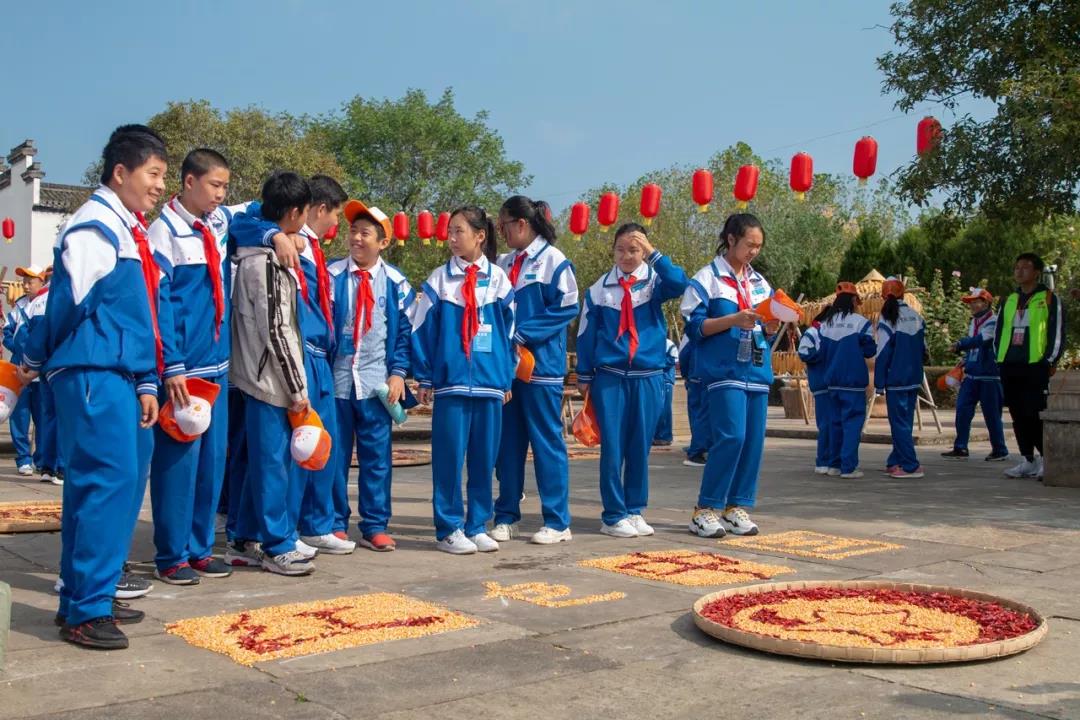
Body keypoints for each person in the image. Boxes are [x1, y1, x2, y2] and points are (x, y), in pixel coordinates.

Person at [20, 124, 166, 649]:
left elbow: (135, 315)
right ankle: (86, 607)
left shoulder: (126, 228)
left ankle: (86, 595)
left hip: (117, 371)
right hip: (91, 372)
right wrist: (34, 356)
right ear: (120, 172)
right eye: (152, 174)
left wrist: (147, 380)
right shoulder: (95, 226)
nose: (157, 186)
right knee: (104, 484)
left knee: (112, 486)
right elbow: (67, 303)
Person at [230, 175, 353, 555]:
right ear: (313, 210)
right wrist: (273, 236)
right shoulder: (275, 241)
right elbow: (238, 219)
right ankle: (272, 532)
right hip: (289, 357)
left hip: (315, 354)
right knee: (285, 451)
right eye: (334, 216)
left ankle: (313, 522)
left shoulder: (309, 246)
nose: (336, 226)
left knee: (316, 443)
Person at [147, 149, 249, 585]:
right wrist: (171, 366)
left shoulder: (219, 222)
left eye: (225, 187)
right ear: (189, 182)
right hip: (183, 370)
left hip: (217, 366)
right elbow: (161, 305)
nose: (220, 194)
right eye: (214, 185)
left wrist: (277, 235)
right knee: (178, 464)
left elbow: (262, 210)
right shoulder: (163, 231)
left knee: (212, 462)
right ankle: (171, 555)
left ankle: (200, 547)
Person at [226, 171, 316, 575]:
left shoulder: (252, 250)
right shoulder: (266, 262)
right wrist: (297, 387)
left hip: (254, 374)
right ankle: (276, 543)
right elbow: (276, 329)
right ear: (294, 212)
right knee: (272, 463)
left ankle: (245, 537)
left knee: (255, 461)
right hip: (269, 379)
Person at [412, 206, 515, 555]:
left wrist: (505, 378)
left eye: (459, 231)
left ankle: (477, 524)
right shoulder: (439, 280)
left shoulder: (499, 280)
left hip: (490, 383)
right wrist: (425, 375)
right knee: (449, 458)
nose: (452, 238)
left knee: (484, 459)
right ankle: (449, 527)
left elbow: (509, 333)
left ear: (480, 236)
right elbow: (421, 331)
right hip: (452, 382)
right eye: (449, 232)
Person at [577, 222, 689, 538]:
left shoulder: (654, 283)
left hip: (649, 375)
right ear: (612, 251)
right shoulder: (599, 289)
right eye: (621, 249)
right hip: (610, 378)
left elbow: (681, 283)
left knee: (640, 446)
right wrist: (584, 375)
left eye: (635, 250)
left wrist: (654, 255)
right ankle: (613, 515)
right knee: (612, 447)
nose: (627, 256)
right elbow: (585, 334)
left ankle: (634, 509)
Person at [682, 213, 776, 538]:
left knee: (752, 442)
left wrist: (775, 324)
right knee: (731, 437)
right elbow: (695, 328)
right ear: (731, 239)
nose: (754, 251)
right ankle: (704, 508)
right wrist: (733, 320)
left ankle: (736, 506)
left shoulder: (760, 283)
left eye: (759, 247)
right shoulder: (707, 278)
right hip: (724, 372)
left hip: (757, 370)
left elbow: (766, 325)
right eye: (749, 244)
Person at [327, 199, 414, 552]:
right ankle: (333, 523)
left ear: (383, 242)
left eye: (365, 233)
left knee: (376, 459)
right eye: (353, 232)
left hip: (377, 385)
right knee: (333, 457)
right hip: (336, 382)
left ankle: (375, 525)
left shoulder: (396, 283)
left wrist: (399, 373)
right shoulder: (331, 276)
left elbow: (407, 332)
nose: (356, 239)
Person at [492, 196, 579, 545]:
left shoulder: (554, 262)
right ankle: (506, 515)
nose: (501, 232)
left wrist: (524, 333)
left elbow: (568, 306)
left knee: (546, 442)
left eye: (503, 226)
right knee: (508, 444)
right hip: (507, 368)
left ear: (522, 225)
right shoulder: (503, 262)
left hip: (540, 366)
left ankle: (558, 521)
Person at [996, 253, 1065, 479]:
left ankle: (1046, 459)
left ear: (1037, 272)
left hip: (1035, 365)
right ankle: (1027, 458)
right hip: (1010, 364)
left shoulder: (1048, 299)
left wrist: (1049, 360)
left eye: (1025, 268)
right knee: (1017, 414)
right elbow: (999, 331)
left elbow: (1057, 332)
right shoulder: (1009, 300)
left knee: (1035, 413)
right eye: (1016, 267)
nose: (1019, 271)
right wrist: (999, 357)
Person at [941, 287, 1009, 462]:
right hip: (972, 375)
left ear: (986, 303)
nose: (972, 305)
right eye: (970, 302)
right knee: (962, 410)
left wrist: (960, 344)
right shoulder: (974, 322)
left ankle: (1000, 449)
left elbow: (981, 341)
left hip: (989, 377)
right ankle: (961, 447)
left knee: (992, 415)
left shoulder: (993, 322)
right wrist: (965, 360)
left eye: (975, 301)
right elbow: (974, 347)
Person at [818, 287, 876, 478]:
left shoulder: (826, 324)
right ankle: (848, 467)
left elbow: (821, 353)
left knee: (835, 424)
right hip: (853, 383)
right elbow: (870, 351)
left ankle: (834, 465)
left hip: (832, 382)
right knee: (852, 424)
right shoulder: (861, 323)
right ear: (853, 300)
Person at [874, 277, 927, 479]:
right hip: (914, 376)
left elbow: (883, 352)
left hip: (896, 378)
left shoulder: (887, 317)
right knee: (905, 421)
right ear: (903, 294)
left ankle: (911, 466)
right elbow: (924, 349)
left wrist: (879, 382)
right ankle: (895, 461)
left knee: (898, 424)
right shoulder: (916, 316)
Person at [5, 265, 46, 477]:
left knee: (42, 418)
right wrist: (20, 350)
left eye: (30, 281)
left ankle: (41, 458)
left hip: (40, 374)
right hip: (19, 372)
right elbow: (8, 333)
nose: (26, 285)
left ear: (41, 281)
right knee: (19, 417)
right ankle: (23, 458)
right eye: (24, 281)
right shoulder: (18, 306)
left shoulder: (46, 303)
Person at [797, 307, 835, 474]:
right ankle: (823, 460)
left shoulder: (833, 332)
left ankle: (833, 459)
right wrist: (824, 354)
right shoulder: (813, 332)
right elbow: (804, 352)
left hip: (835, 383)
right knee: (826, 425)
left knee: (834, 424)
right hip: (822, 384)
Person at [679, 333, 711, 468]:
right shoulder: (697, 329)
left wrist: (687, 375)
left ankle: (698, 446)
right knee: (703, 416)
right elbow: (683, 355)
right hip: (703, 378)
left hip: (697, 378)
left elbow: (683, 355)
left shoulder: (693, 332)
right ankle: (696, 451)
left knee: (697, 415)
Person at [652, 338, 679, 446]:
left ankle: (665, 436)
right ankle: (656, 435)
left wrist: (655, 363)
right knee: (656, 408)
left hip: (665, 379)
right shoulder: (652, 341)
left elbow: (672, 360)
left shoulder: (669, 344)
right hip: (656, 380)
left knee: (665, 409)